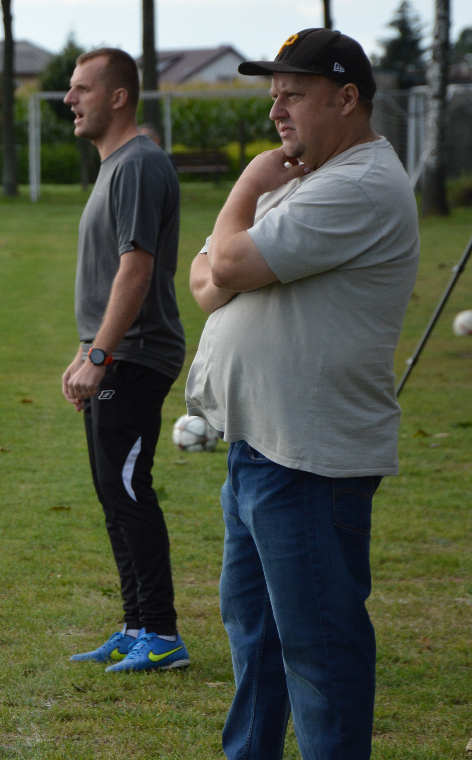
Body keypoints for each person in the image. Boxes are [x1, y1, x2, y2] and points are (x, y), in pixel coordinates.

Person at [185, 29, 419, 760]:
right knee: (256, 646)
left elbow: (221, 259)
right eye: (273, 96)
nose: (276, 113)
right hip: (261, 450)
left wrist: (251, 185)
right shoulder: (315, 178)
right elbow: (204, 288)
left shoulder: (356, 184)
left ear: (347, 98)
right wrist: (233, 252)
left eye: (292, 95)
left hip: (311, 466)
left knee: (320, 657)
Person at [61, 48, 189, 673]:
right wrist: (87, 350)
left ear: (118, 97)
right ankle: (136, 625)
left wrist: (102, 353)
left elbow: (136, 269)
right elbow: (115, 271)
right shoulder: (117, 165)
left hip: (136, 357)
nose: (68, 99)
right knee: (113, 490)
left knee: (129, 487)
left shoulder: (137, 164)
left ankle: (162, 634)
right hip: (114, 355)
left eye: (81, 88)